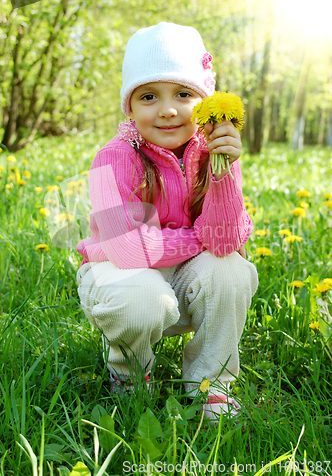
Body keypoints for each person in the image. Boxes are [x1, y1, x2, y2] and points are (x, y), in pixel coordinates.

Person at [76, 22, 259, 421]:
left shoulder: (215, 153)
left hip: (182, 275)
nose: (167, 109)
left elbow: (225, 242)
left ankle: (210, 385)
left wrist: (222, 174)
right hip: (120, 276)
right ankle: (129, 375)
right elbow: (125, 248)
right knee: (144, 300)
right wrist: (200, 237)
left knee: (231, 271)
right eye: (148, 96)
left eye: (183, 93)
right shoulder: (112, 159)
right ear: (130, 106)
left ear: (206, 101)